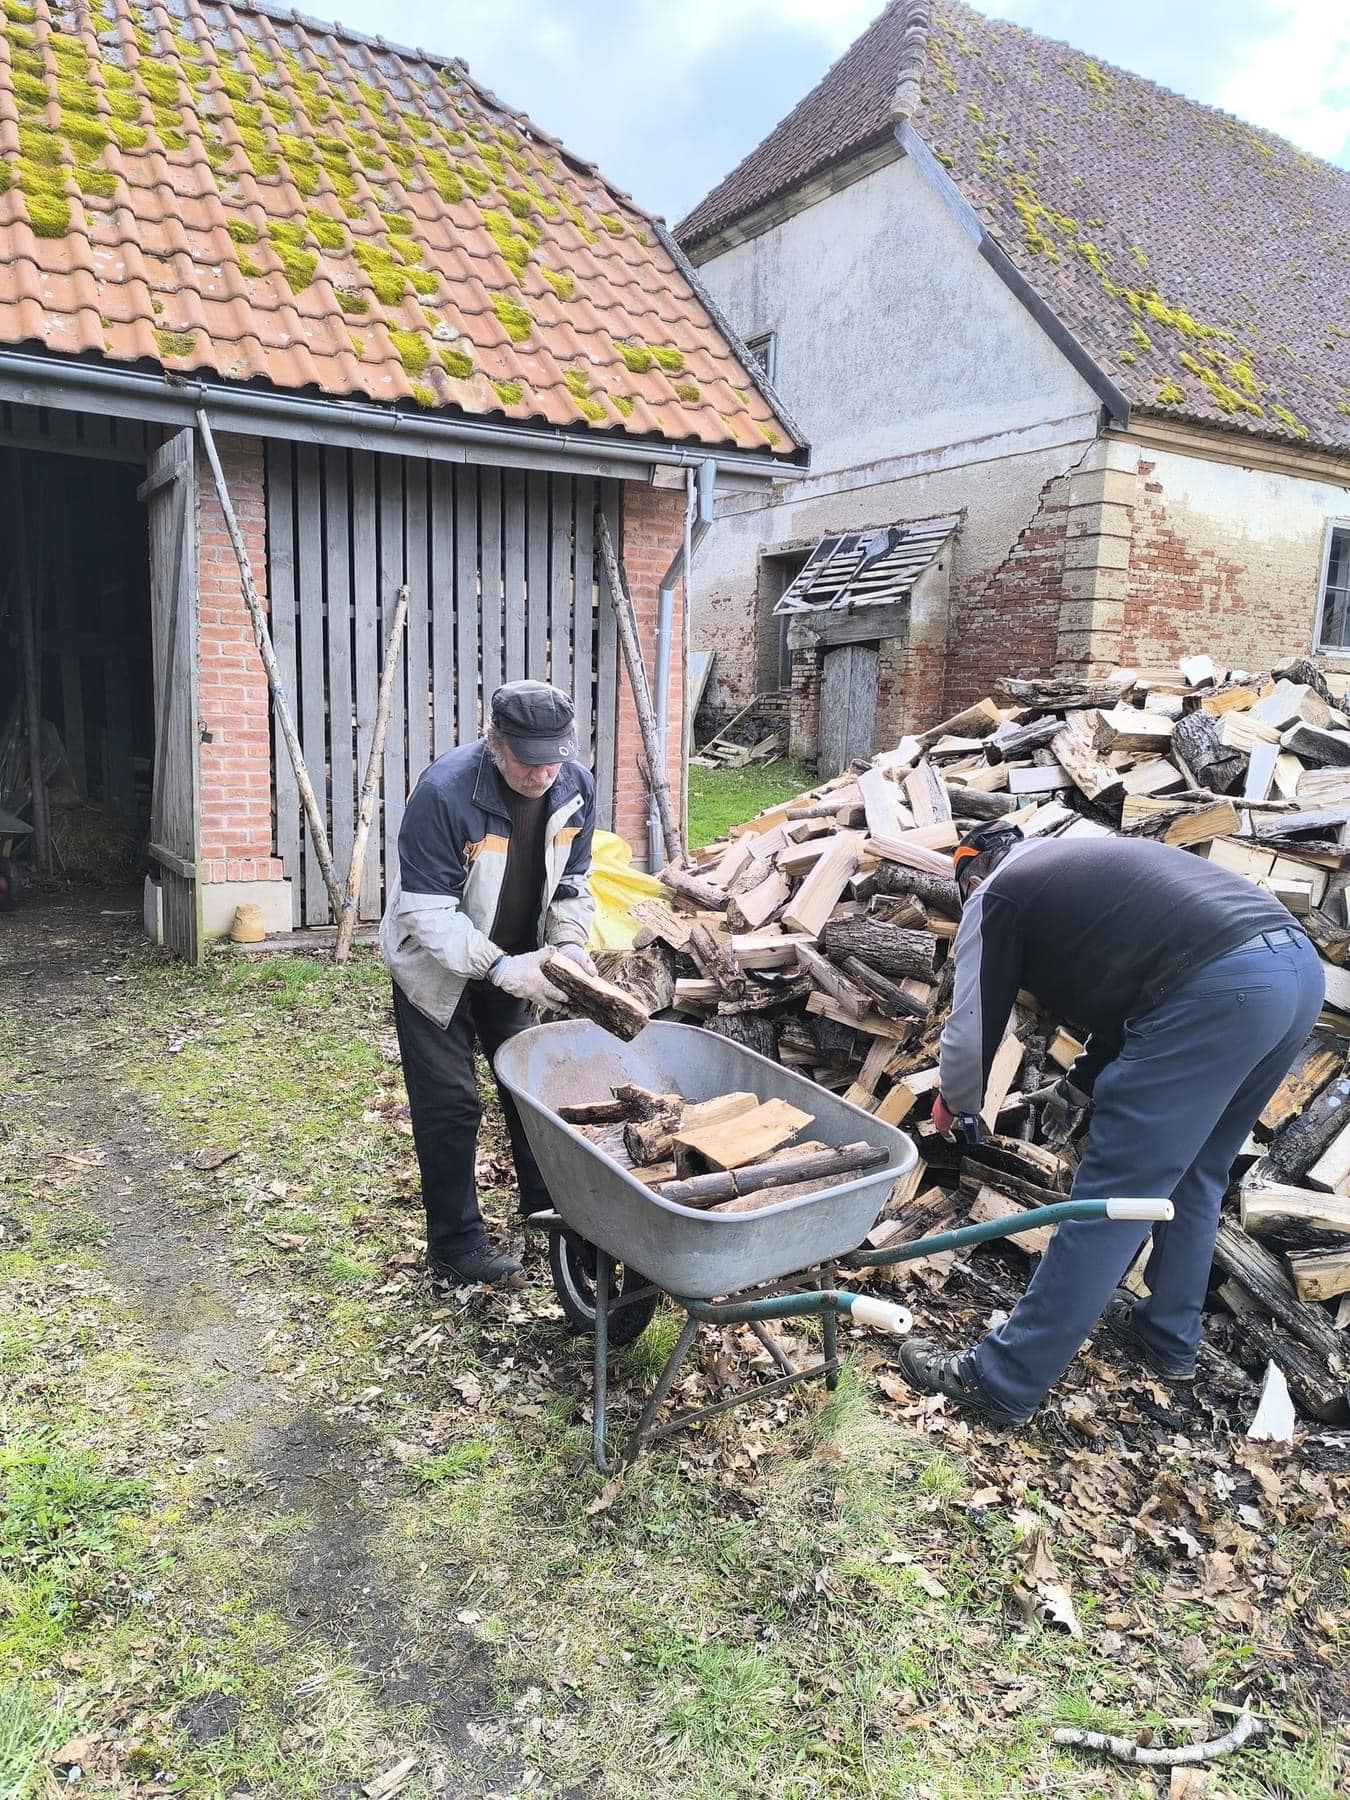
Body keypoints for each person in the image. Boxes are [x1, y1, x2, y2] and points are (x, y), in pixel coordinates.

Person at [895, 820, 1324, 1425]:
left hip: (1220, 986)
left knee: (1115, 1195)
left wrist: (957, 1101)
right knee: (1198, 1173)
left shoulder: (998, 892)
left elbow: (972, 1022)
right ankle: (1168, 1336)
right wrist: (1077, 1084)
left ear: (971, 875)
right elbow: (1133, 995)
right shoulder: (1079, 867)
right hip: (1294, 973)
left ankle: (1002, 1379)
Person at [380, 680, 597, 1286]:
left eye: (554, 757)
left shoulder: (574, 786)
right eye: (529, 760)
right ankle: (455, 1244)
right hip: (435, 967)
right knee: (450, 1102)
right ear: (493, 742)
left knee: (532, 1091)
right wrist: (500, 967)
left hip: (520, 962)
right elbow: (425, 913)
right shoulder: (444, 793)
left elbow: (574, 883)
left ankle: (549, 1211)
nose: (543, 773)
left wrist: (568, 945)